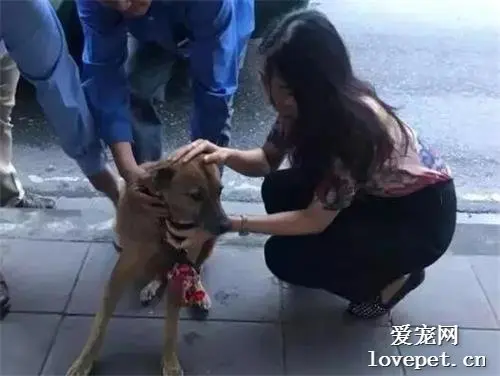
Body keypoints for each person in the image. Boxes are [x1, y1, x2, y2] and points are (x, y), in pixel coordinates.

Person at [166, 9, 457, 319]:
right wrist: (224, 153)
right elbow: (266, 161)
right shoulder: (301, 108)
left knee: (282, 258)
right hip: (372, 194)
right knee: (278, 189)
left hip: (416, 219)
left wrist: (229, 223)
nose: (265, 88)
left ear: (305, 87)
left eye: (273, 82)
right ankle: (329, 257)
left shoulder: (351, 131)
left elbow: (313, 221)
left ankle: (392, 281)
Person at [0, 0, 123, 319]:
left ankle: (5, 191)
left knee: (2, 108)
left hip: (12, 22)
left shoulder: (23, 9)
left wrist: (113, 186)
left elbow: (57, 84)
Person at [75, 0, 254, 217]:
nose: (124, 7)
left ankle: (202, 203)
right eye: (114, 3)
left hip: (216, 23)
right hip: (153, 31)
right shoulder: (95, 3)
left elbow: (214, 94)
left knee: (216, 102)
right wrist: (129, 171)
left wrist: (205, 198)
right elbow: (105, 76)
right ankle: (150, 195)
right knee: (133, 89)